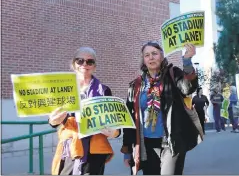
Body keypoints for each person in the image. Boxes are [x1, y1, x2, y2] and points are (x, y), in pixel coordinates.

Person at [121, 42, 203, 175]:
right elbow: (129, 119)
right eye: (147, 55)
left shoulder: (173, 74)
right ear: (143, 60)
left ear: (162, 56)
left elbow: (188, 88)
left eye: (154, 53)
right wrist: (127, 151)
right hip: (146, 145)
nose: (151, 57)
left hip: (171, 142)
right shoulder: (135, 86)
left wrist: (187, 61)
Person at [48, 47, 121, 175]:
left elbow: (116, 127)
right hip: (70, 149)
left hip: (95, 151)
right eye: (80, 61)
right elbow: (53, 121)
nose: (85, 64)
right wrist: (53, 120)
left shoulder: (104, 91)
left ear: (94, 66)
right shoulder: (63, 89)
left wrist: (113, 132)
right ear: (73, 64)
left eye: (90, 61)